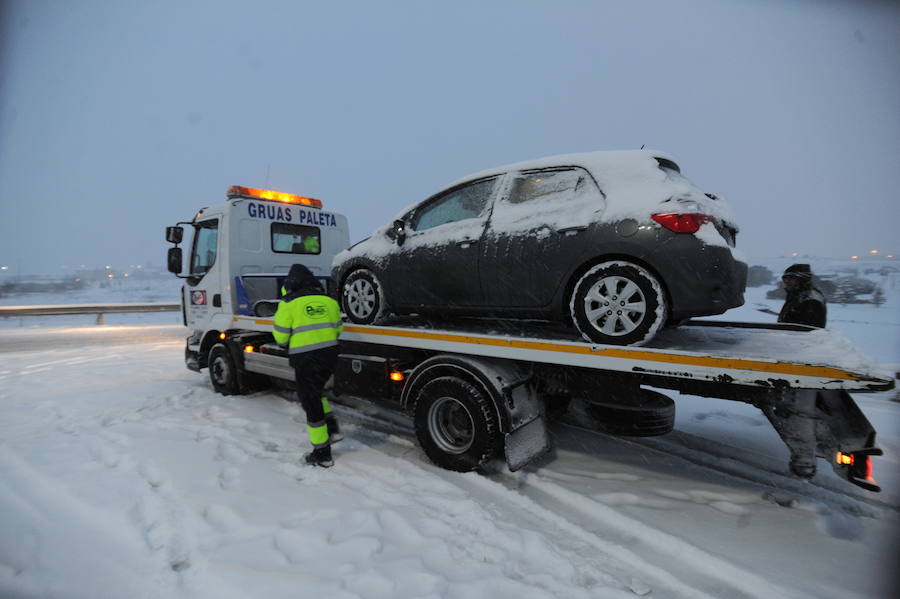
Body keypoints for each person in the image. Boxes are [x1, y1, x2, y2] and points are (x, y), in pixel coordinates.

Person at [273, 264, 343, 467]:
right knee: (316, 391)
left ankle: (322, 452)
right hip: (330, 355)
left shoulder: (288, 303)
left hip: (305, 358)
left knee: (309, 401)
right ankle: (330, 426)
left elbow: (281, 336)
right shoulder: (328, 300)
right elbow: (338, 328)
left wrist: (288, 342)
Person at [778, 263, 827, 328]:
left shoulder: (811, 299)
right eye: (785, 279)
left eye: (791, 278)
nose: (787, 281)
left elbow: (808, 329)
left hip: (799, 337)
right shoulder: (796, 295)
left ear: (802, 279)